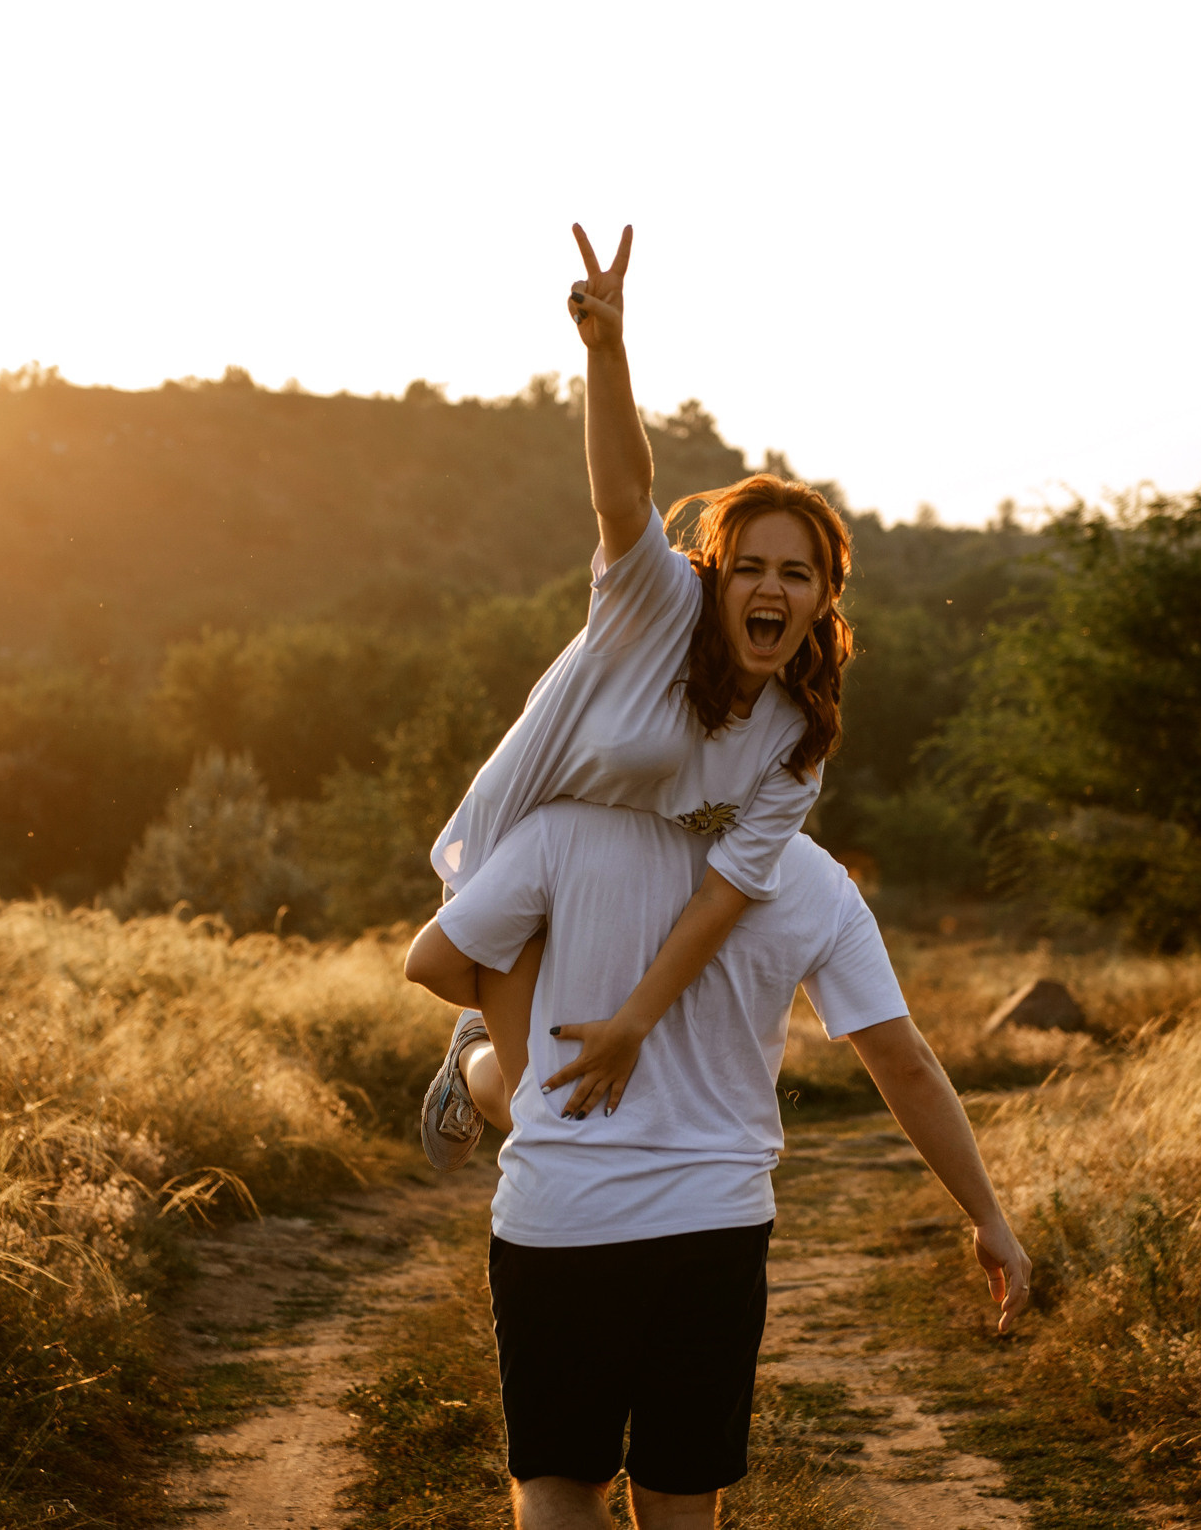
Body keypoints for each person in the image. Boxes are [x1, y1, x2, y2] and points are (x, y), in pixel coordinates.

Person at [405, 801, 1031, 1529]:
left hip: (563, 1213)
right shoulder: (813, 876)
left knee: (560, 1481)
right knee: (681, 1493)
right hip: (716, 1227)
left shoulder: (564, 830)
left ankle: (475, 1053)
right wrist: (986, 1214)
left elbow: (434, 959)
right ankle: (480, 1057)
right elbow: (905, 1061)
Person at [421, 223, 854, 1168]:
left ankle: (490, 1070)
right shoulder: (660, 602)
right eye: (748, 568)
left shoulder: (796, 736)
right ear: (717, 575)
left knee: (594, 1082)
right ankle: (477, 1064)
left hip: (624, 874)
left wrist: (634, 1020)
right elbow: (625, 493)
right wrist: (608, 352)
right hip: (527, 830)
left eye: (796, 573)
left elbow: (722, 898)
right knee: (541, 1094)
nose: (769, 588)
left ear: (823, 597)